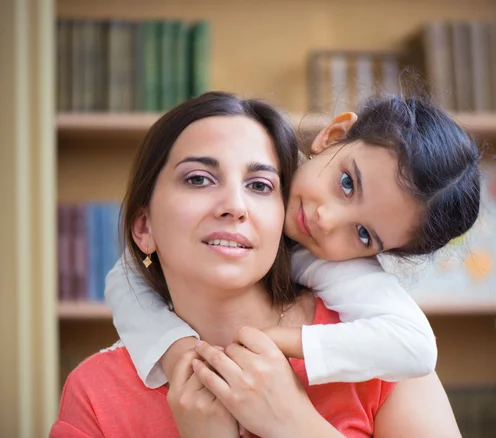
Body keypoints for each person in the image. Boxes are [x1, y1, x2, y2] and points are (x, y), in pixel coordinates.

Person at [50, 92, 462, 437]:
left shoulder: (378, 356)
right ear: (143, 225)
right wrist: (179, 356)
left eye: (260, 186)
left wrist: (297, 424)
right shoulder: (94, 393)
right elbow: (124, 279)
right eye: (198, 179)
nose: (327, 219)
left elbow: (418, 347)